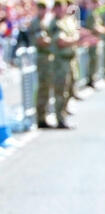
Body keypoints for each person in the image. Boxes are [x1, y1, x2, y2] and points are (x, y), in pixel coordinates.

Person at [49, 0, 79, 129]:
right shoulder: (55, 23)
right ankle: (60, 119)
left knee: (69, 88)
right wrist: (75, 40)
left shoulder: (67, 21)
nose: (62, 10)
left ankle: (64, 114)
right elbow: (61, 41)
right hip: (60, 61)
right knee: (61, 91)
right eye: (59, 8)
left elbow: (75, 31)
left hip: (69, 59)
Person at [28, 0, 53, 128]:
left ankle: (44, 115)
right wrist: (55, 42)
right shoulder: (37, 23)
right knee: (43, 87)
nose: (42, 11)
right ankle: (41, 118)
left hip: (46, 57)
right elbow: (41, 40)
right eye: (40, 8)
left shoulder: (45, 21)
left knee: (47, 87)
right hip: (41, 58)